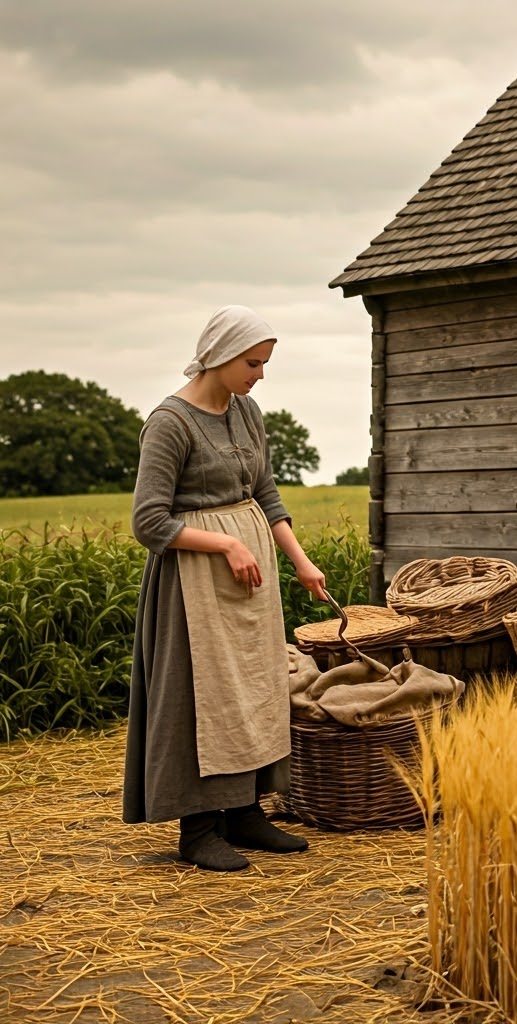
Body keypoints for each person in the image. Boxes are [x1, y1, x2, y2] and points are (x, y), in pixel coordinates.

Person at [123, 305, 329, 871]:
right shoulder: (170, 423)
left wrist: (302, 563)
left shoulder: (247, 412)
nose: (259, 374)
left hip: (251, 580)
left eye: (263, 363)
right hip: (193, 582)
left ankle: (245, 811)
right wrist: (226, 545)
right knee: (203, 696)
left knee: (256, 687)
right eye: (252, 363)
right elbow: (149, 522)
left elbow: (266, 493)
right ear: (217, 355)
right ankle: (198, 829)